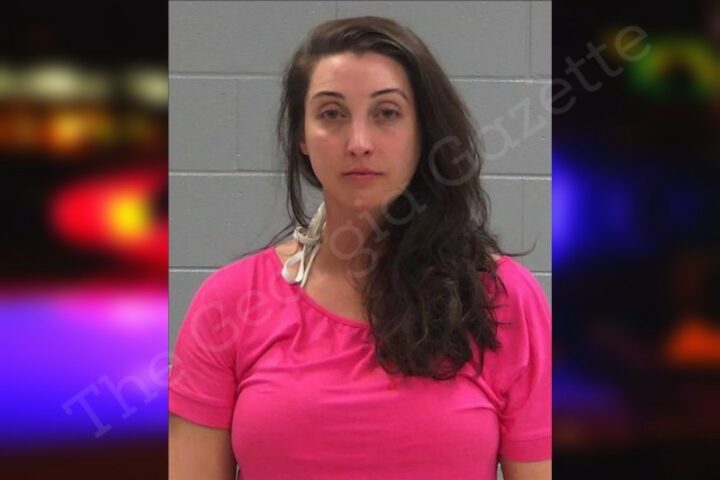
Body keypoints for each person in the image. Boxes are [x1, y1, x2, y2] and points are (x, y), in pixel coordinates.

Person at [169, 16, 551, 480]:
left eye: (387, 113)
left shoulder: (501, 299)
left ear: (423, 131)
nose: (359, 143)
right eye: (332, 114)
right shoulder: (230, 303)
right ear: (302, 137)